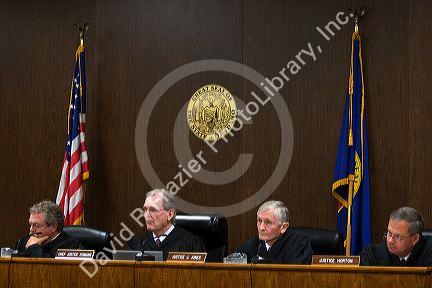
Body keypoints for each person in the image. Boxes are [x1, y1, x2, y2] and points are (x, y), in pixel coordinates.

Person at [127, 189, 205, 260]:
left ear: (170, 214)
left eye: (153, 210)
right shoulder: (138, 244)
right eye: (145, 210)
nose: (146, 215)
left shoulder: (190, 243)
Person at [235, 200, 312, 264]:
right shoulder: (250, 246)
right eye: (259, 221)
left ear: (283, 227)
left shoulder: (299, 245)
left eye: (268, 222)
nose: (261, 228)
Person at [360, 207, 432, 266]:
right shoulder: (372, 254)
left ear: (415, 239)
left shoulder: (429, 252)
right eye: (389, 233)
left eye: (398, 236)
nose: (390, 241)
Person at [15, 200, 83, 257]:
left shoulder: (70, 246)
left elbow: (48, 268)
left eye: (36, 225)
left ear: (53, 226)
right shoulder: (24, 242)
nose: (31, 229)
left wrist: (34, 248)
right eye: (30, 224)